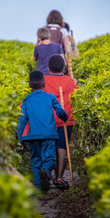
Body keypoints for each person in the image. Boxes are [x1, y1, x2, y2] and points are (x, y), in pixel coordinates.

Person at [17, 70, 68, 193]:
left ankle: (39, 186)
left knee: (35, 160)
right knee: (50, 158)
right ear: (44, 84)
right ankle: (45, 171)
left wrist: (19, 137)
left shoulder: (26, 101)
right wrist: (64, 117)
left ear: (29, 85)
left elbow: (22, 120)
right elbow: (60, 111)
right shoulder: (50, 97)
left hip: (32, 136)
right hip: (48, 134)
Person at [43, 55, 77, 189]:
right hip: (66, 119)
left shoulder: (44, 80)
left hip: (49, 119)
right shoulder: (70, 81)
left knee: (49, 146)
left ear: (48, 68)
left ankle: (47, 173)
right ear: (63, 68)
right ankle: (59, 177)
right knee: (62, 147)